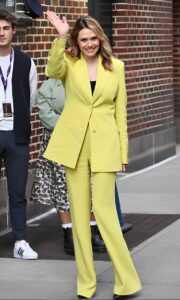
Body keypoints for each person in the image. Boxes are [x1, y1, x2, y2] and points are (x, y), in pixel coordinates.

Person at [44, 12, 142, 299]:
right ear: (77, 40)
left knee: (104, 213)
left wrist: (123, 151)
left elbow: (120, 113)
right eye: (83, 39)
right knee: (78, 215)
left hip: (105, 146)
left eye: (93, 39)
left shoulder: (117, 67)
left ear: (101, 38)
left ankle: (127, 282)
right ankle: (85, 285)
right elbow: (51, 70)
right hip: (74, 146)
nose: (89, 44)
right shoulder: (69, 62)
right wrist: (61, 37)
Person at [30, 78, 132, 255]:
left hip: (88, 141)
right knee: (61, 189)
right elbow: (46, 117)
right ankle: (68, 233)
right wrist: (74, 124)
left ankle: (92, 231)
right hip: (60, 143)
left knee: (91, 187)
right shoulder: (48, 86)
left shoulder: (88, 78)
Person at [0, 9, 38, 259]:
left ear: (14, 31)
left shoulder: (25, 62)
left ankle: (21, 242)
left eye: (5, 28)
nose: (1, 33)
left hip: (16, 135)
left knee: (16, 190)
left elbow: (31, 97)